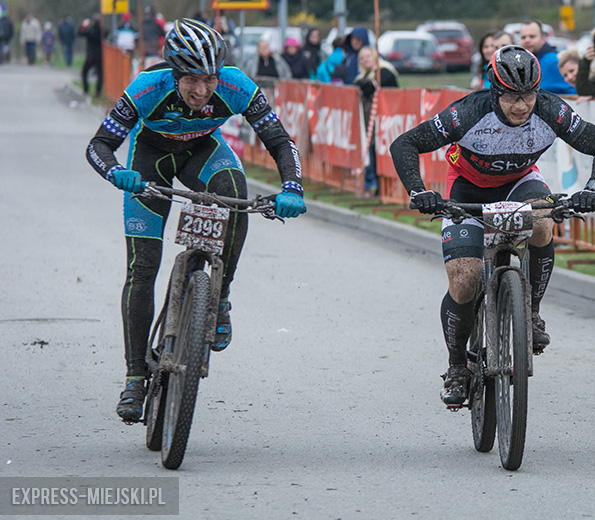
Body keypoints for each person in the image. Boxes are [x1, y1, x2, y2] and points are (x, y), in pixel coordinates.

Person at [84, 19, 306, 422]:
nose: (201, 91)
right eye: (191, 81)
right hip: (149, 159)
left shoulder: (237, 85)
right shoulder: (147, 87)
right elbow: (99, 145)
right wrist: (116, 173)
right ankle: (135, 377)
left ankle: (219, 300)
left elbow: (278, 140)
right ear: (174, 72)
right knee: (143, 267)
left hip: (203, 151)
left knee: (235, 194)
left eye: (209, 80)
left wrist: (292, 186)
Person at [389, 45, 595, 406]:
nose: (521, 106)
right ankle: (457, 367)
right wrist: (420, 191)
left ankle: (531, 313)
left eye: (528, 96)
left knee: (543, 221)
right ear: (496, 92)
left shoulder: (550, 110)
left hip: (520, 181)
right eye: (512, 97)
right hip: (467, 187)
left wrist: (593, 189)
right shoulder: (469, 112)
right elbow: (406, 144)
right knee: (464, 280)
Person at [354, 46, 399, 196]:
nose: (365, 60)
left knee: (384, 154)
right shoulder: (363, 76)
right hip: (370, 125)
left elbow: (369, 88)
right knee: (374, 154)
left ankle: (387, 188)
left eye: (368, 56)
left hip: (385, 122)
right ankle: (379, 188)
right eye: (362, 58)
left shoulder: (384, 73)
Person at [519, 20, 575, 95]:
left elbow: (573, 91)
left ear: (543, 38)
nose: (527, 40)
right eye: (523, 37)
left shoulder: (553, 61)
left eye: (532, 36)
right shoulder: (524, 62)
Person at [79, 15, 103, 97]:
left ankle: (86, 89)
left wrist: (84, 25)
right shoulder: (102, 31)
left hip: (90, 56)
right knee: (100, 74)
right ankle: (98, 91)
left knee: (84, 72)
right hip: (100, 56)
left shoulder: (90, 30)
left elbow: (80, 33)